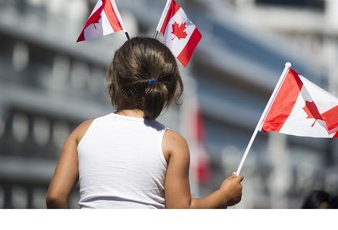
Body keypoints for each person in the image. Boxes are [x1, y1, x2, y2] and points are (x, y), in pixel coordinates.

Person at [46, 36, 244, 209]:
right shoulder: (172, 143)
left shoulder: (84, 131)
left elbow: (55, 197)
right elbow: (181, 210)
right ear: (168, 91)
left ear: (113, 81)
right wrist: (223, 197)